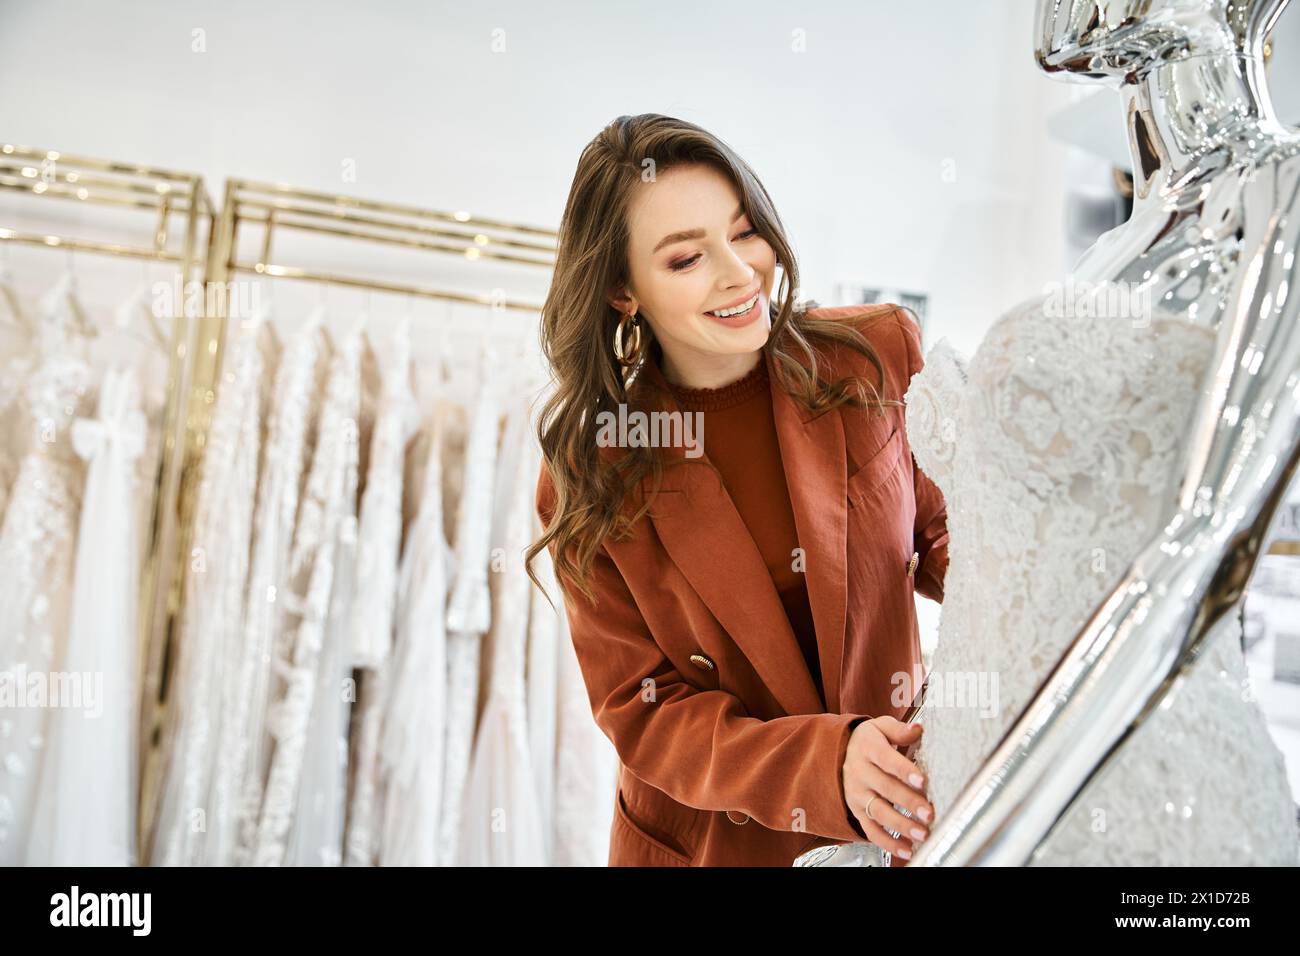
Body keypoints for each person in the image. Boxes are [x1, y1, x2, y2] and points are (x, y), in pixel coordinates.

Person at [526, 113, 948, 866]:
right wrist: (825, 764)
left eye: (745, 231)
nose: (739, 273)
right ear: (624, 291)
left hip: (899, 811)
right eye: (687, 259)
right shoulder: (596, 473)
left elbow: (953, 535)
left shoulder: (872, 355)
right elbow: (642, 711)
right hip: (715, 843)